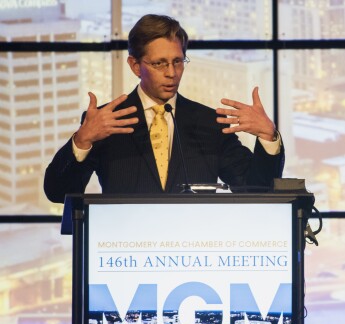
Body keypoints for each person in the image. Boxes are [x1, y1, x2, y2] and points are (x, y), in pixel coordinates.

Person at [44, 14, 283, 203]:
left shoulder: (209, 123)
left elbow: (257, 190)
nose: (171, 73)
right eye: (159, 63)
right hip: (127, 254)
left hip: (192, 254)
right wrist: (82, 140)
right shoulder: (108, 122)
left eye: (177, 61)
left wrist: (268, 137)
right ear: (136, 66)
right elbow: (58, 192)